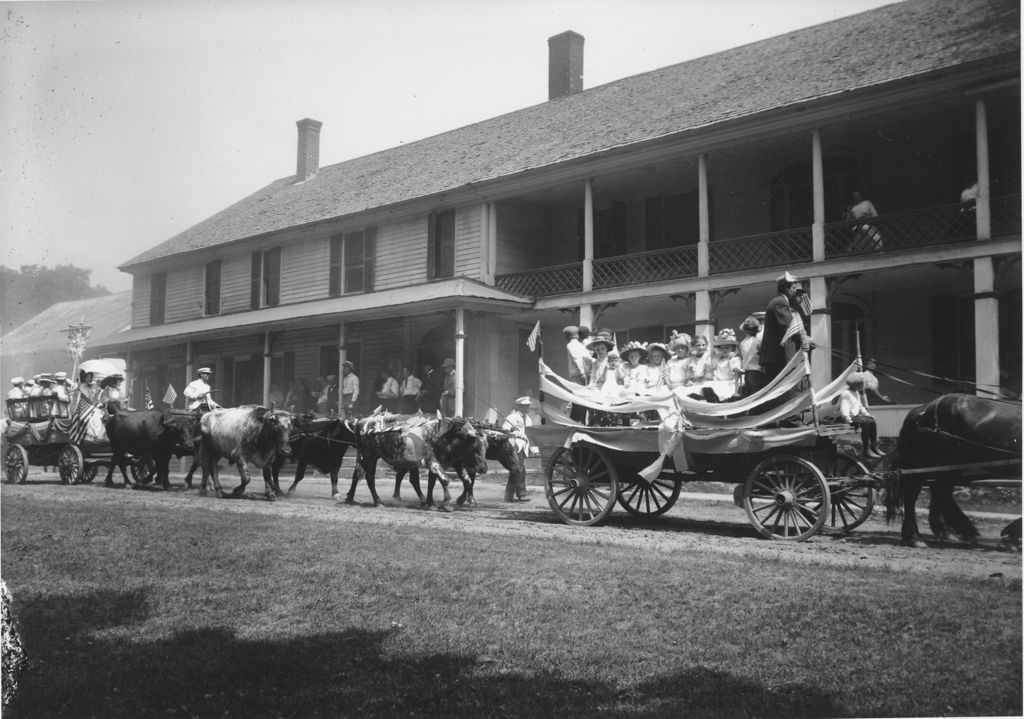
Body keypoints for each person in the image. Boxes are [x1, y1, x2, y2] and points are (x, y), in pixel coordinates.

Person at [760, 271, 808, 382]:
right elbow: (789, 327)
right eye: (794, 288)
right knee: (782, 391)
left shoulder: (782, 302)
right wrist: (804, 340)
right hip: (776, 356)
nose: (796, 292)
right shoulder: (780, 302)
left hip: (777, 356)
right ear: (786, 288)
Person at [838, 374, 882, 458]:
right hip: (849, 418)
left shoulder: (856, 393)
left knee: (872, 421)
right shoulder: (846, 394)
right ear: (856, 385)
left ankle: (874, 446)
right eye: (862, 384)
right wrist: (848, 420)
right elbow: (844, 410)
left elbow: (860, 406)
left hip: (856, 416)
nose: (863, 385)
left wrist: (867, 414)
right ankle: (866, 449)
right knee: (866, 422)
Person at [502, 396, 534, 503]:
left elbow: (529, 434)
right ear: (518, 406)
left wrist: (532, 448)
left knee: (518, 470)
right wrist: (512, 430)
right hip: (514, 446)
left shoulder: (528, 419)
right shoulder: (511, 417)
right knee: (519, 470)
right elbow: (504, 431)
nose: (527, 408)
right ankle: (520, 494)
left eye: (528, 406)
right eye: (525, 406)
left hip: (523, 447)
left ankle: (510, 495)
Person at [703, 329, 743, 402]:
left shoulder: (734, 359)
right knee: (707, 385)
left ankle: (718, 401)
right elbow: (715, 372)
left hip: (730, 382)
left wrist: (733, 366)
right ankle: (713, 401)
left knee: (720, 388)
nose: (724, 350)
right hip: (719, 382)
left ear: (732, 348)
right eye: (722, 348)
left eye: (727, 347)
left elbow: (735, 369)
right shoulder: (718, 359)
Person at [564, 325, 591, 423]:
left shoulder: (571, 345)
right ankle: (580, 420)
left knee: (576, 400)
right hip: (585, 375)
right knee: (581, 400)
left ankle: (576, 421)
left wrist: (582, 373)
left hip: (578, 376)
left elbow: (576, 359)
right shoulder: (581, 345)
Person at [738, 316, 765, 397]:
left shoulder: (742, 343)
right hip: (756, 372)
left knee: (749, 393)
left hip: (747, 372)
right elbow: (762, 355)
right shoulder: (758, 342)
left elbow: (742, 356)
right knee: (757, 393)